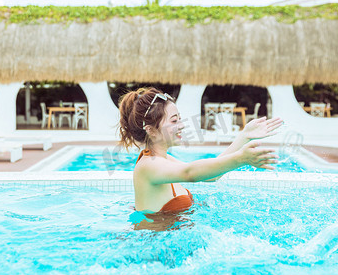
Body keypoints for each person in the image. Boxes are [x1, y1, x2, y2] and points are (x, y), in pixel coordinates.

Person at [118, 87, 283, 224]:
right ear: (151, 130)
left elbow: (212, 176)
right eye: (174, 121)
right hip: (154, 256)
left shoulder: (162, 160)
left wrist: (244, 135)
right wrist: (241, 159)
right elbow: (190, 173)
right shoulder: (148, 166)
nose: (182, 126)